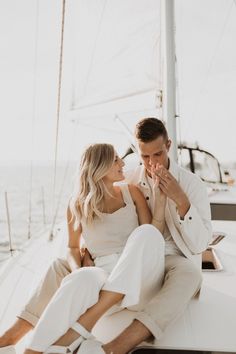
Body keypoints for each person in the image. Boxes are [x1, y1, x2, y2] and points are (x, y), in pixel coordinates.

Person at [0, 143, 165, 354]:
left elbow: (151, 239)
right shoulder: (77, 204)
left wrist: (160, 199)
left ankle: (21, 339)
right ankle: (26, 348)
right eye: (116, 159)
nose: (122, 163)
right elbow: (71, 247)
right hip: (103, 278)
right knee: (65, 269)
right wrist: (77, 271)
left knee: (146, 233)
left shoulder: (132, 193)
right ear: (100, 166)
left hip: (138, 281)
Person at [77, 117, 212, 353]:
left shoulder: (193, 185)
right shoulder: (126, 175)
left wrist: (180, 199)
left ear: (168, 145)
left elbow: (200, 244)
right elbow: (96, 208)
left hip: (172, 257)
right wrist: (84, 246)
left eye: (157, 155)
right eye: (144, 157)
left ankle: (119, 346)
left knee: (191, 275)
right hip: (132, 256)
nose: (151, 163)